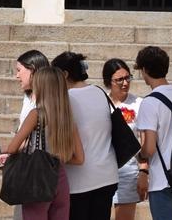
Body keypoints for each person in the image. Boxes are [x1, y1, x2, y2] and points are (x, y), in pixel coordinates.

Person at [0, 66, 85, 220]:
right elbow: (79, 159)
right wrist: (55, 158)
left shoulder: (36, 114)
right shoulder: (68, 120)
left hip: (38, 179)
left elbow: (13, 148)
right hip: (60, 179)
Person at [52, 51, 119, 220]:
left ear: (65, 74)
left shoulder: (65, 99)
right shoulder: (99, 91)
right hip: (107, 175)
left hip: (79, 180)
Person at [133, 45, 172, 220]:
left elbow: (149, 148)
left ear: (145, 69)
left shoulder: (150, 102)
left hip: (161, 178)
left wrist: (139, 154)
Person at [103, 58, 146, 220]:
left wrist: (143, 171)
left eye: (128, 78)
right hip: (102, 171)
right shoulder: (100, 103)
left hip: (128, 172)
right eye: (119, 79)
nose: (125, 83)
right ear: (109, 81)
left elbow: (143, 141)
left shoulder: (139, 104)